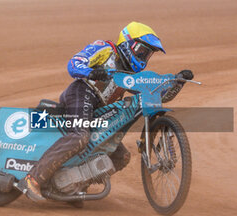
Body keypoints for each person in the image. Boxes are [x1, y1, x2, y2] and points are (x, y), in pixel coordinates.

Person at [18, 21, 193, 201]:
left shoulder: (130, 74)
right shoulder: (106, 49)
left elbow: (157, 95)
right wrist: (90, 72)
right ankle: (33, 179)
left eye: (147, 55)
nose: (143, 57)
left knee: (121, 156)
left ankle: (71, 188)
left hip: (100, 109)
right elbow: (74, 64)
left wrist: (178, 82)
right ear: (127, 43)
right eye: (141, 51)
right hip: (83, 91)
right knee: (80, 136)